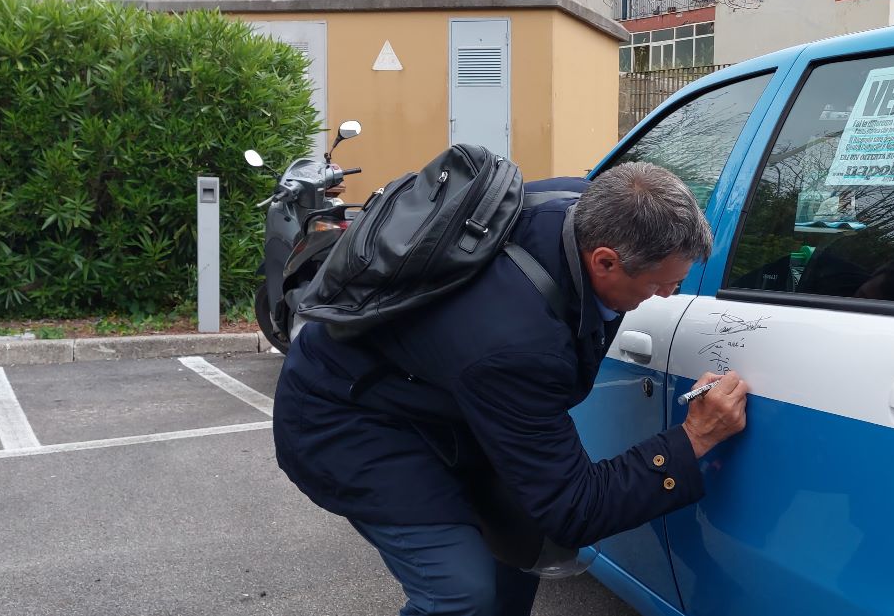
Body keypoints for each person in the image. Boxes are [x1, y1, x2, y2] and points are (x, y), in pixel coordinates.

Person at [273, 162, 751, 616]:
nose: (666, 297)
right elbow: (576, 509)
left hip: (441, 393)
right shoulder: (517, 344)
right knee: (460, 593)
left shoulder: (585, 208)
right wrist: (693, 439)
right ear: (605, 261)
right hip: (350, 417)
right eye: (657, 286)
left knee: (515, 559)